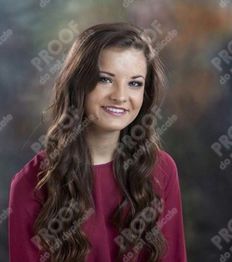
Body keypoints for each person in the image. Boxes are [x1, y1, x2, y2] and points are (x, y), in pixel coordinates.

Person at [8, 22, 187, 262]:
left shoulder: (162, 169)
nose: (120, 96)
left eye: (135, 83)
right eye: (105, 79)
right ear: (78, 84)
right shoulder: (31, 183)